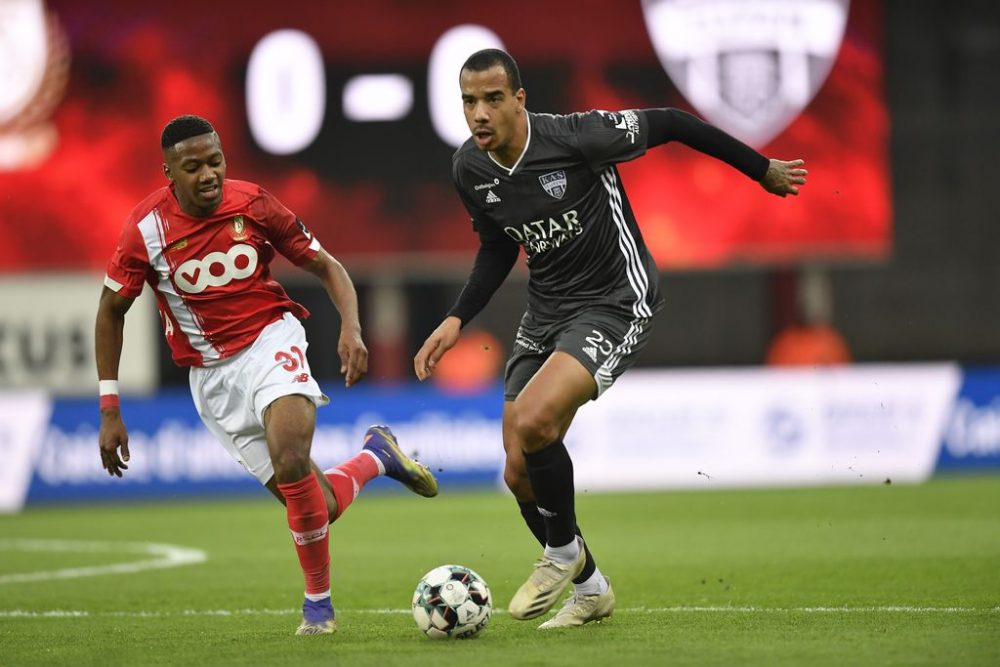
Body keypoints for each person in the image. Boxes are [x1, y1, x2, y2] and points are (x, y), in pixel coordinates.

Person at [414, 49, 807, 629]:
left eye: (493, 98)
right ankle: (591, 588)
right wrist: (456, 318)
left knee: (534, 420)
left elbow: (672, 122)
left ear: (520, 100)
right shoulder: (469, 169)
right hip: (546, 310)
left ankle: (560, 554)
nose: (480, 113)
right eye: (469, 101)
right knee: (518, 472)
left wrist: (761, 168)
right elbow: (499, 246)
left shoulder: (577, 136)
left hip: (616, 299)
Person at [96, 115, 438, 636]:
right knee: (317, 505)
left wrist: (352, 329)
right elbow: (110, 312)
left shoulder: (253, 204)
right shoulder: (145, 230)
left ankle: (318, 608)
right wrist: (110, 408)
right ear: (168, 171)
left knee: (291, 454)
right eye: (193, 167)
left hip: (270, 340)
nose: (208, 174)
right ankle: (376, 458)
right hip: (212, 380)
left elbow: (329, 267)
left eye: (215, 161)